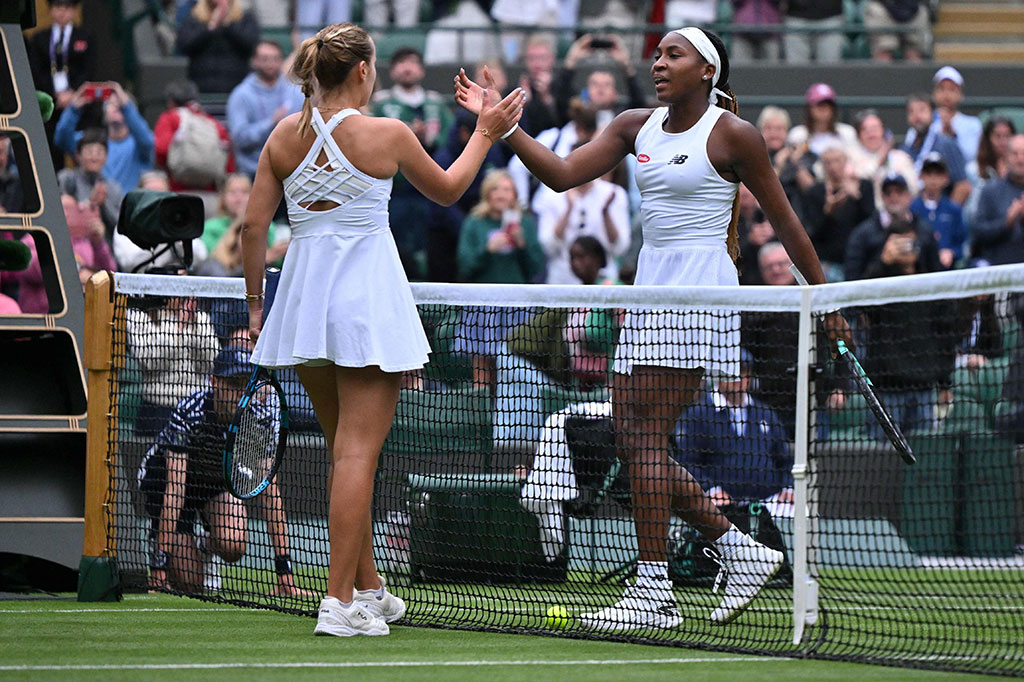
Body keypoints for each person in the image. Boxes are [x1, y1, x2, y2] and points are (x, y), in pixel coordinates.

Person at [455, 26, 851, 630]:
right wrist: (504, 129)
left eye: (674, 55)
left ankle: (655, 588)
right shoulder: (632, 125)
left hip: (700, 290)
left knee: (642, 435)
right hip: (650, 287)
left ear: (707, 71)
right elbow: (562, 175)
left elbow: (788, 223)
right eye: (658, 54)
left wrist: (825, 301)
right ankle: (735, 550)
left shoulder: (734, 135)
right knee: (630, 433)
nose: (658, 63)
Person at [241, 22, 523, 637]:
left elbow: (250, 229)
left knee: (348, 451)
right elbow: (449, 191)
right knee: (357, 455)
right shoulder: (388, 133)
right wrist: (485, 131)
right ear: (364, 71)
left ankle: (369, 586)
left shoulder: (282, 138)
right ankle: (338, 602)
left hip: (305, 306)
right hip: (365, 305)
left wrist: (257, 305)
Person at [139, 346, 310, 596]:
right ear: (214, 382)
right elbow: (175, 490)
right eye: (232, 384)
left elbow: (270, 493)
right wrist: (159, 569)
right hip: (165, 485)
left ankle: (205, 546)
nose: (240, 393)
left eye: (245, 385)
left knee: (233, 544)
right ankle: (168, 549)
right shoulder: (190, 412)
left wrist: (284, 573)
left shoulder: (257, 421)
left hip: (213, 484)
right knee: (190, 584)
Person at [454, 169, 545, 392]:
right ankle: (480, 422)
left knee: (514, 373)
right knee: (482, 377)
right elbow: (465, 264)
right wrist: (487, 250)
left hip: (518, 306)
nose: (501, 195)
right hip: (481, 306)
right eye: (496, 189)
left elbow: (536, 266)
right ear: (487, 194)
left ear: (514, 195)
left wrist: (521, 245)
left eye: (507, 190)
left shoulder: (525, 223)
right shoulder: (475, 222)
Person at [672, 351, 792, 512]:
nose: (738, 378)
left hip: (767, 502)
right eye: (732, 371)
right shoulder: (699, 414)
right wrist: (711, 489)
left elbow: (785, 460)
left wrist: (788, 488)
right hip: (720, 505)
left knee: (799, 511)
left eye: (743, 372)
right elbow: (688, 463)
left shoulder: (765, 413)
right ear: (720, 375)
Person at [534, 147, 630, 284]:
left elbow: (620, 248)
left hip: (603, 282)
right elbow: (548, 247)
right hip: (563, 281)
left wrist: (605, 214)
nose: (583, 167)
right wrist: (568, 210)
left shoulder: (614, 193)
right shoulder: (550, 195)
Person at [25, 0, 96, 168]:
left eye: (67, 7)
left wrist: (73, 93)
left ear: (74, 10)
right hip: (51, 104)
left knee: (82, 148)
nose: (62, 12)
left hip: (79, 103)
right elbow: (36, 71)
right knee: (50, 152)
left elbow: (88, 69)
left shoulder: (86, 36)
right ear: (50, 10)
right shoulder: (39, 38)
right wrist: (54, 94)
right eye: (58, 7)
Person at [54, 81, 155, 193]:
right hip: (94, 206)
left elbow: (147, 140)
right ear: (104, 112)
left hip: (130, 207)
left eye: (119, 104)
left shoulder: (139, 145)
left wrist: (126, 107)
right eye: (111, 104)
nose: (116, 107)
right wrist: (73, 109)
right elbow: (62, 140)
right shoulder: (94, 141)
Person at [226, 40, 305, 178]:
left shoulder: (296, 93)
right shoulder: (241, 95)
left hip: (291, 173)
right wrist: (270, 123)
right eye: (265, 59)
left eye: (275, 58)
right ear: (255, 61)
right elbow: (239, 138)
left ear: (282, 61)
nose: (270, 63)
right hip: (253, 173)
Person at [802, 145, 876, 281]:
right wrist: (828, 212)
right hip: (829, 260)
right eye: (828, 162)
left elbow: (871, 221)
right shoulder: (816, 192)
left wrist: (857, 197)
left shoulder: (863, 186)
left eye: (837, 161)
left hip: (859, 257)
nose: (833, 166)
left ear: (845, 162)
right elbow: (813, 232)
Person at [196, 173, 288, 277]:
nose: (238, 198)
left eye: (244, 192)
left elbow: (278, 263)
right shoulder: (210, 227)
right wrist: (263, 259)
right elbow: (215, 262)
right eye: (233, 192)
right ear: (223, 197)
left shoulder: (267, 226)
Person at [153, 79, 235, 192]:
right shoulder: (211, 122)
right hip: (210, 192)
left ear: (170, 102)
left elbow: (161, 149)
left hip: (177, 190)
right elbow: (227, 156)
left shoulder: (169, 118)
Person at [175, 0, 260, 94]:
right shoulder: (194, 17)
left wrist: (227, 25)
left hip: (237, 88)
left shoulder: (245, 17)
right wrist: (211, 27)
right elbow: (185, 46)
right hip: (201, 86)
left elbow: (251, 45)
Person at [56, 128, 124, 244]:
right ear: (78, 155)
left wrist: (103, 204)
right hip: (71, 242)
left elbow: (119, 226)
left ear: (106, 157)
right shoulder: (67, 178)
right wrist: (90, 203)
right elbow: (60, 213)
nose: (94, 157)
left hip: (104, 245)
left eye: (99, 152)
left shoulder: (113, 188)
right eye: (89, 151)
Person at [901, 93, 971, 205]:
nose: (917, 116)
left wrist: (945, 214)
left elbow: (963, 186)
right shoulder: (904, 151)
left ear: (933, 114)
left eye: (922, 110)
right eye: (911, 111)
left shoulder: (947, 144)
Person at [971, 134, 1024, 266]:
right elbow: (978, 233)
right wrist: (1006, 222)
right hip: (997, 266)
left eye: (1023, 153)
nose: (1020, 159)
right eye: (1015, 154)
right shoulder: (990, 191)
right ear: (1006, 157)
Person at [849, 108, 918, 208]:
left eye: (875, 128)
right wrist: (879, 160)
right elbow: (858, 187)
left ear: (884, 131)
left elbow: (913, 189)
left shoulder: (901, 157)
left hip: (898, 212)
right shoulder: (851, 158)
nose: (871, 134)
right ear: (858, 135)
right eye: (865, 129)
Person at [911, 153, 967, 268]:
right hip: (919, 268)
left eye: (938, 174)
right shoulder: (912, 208)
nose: (933, 179)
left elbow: (962, 243)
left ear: (946, 178)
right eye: (929, 173)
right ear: (921, 176)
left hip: (946, 268)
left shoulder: (953, 209)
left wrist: (951, 253)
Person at [786, 83, 858, 157]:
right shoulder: (798, 135)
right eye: (819, 105)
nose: (824, 109)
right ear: (810, 108)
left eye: (828, 105)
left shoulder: (847, 133)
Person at [930, 66, 983, 166]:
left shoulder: (973, 124)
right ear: (934, 94)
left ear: (961, 94)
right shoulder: (924, 122)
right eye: (941, 89)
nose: (946, 94)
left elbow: (971, 156)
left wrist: (952, 137)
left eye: (952, 89)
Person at [863, 0, 929, 62]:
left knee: (914, 55)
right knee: (884, 54)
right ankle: (882, 73)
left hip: (913, 8)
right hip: (882, 7)